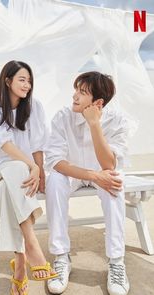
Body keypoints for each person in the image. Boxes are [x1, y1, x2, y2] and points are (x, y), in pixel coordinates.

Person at [0, 60, 57, 295]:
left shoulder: (34, 107)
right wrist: (32, 167)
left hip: (20, 180)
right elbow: (4, 146)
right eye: (22, 79)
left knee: (9, 190)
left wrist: (40, 170)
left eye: (29, 80)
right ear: (7, 81)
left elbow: (37, 144)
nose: (27, 85)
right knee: (14, 168)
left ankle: (19, 264)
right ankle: (32, 245)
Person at [45, 71, 130, 295]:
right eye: (76, 90)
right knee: (55, 180)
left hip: (103, 172)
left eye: (82, 93)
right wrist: (93, 176)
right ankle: (61, 257)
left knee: (114, 182)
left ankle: (116, 262)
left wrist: (94, 124)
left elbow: (109, 164)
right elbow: (56, 162)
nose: (74, 96)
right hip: (74, 173)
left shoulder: (118, 120)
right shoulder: (62, 117)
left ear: (98, 102)